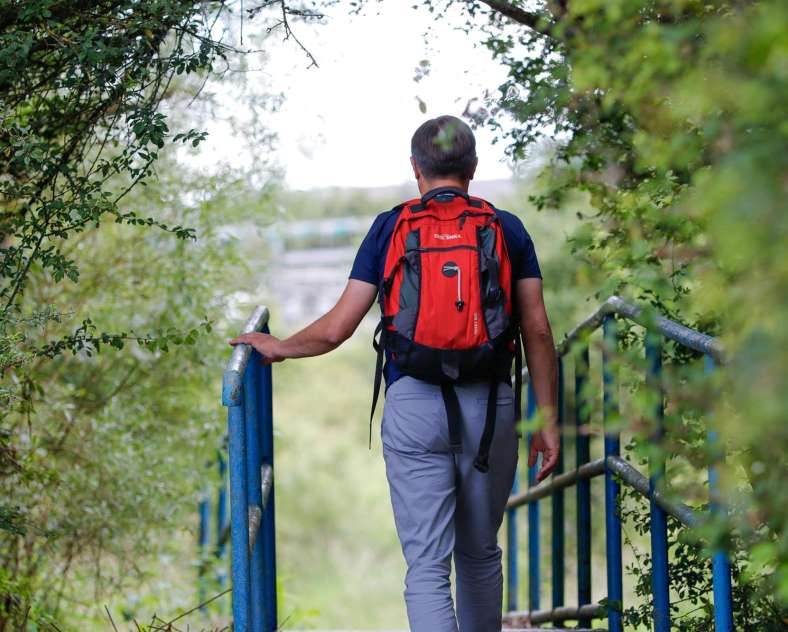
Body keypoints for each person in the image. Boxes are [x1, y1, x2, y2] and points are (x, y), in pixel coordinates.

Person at [230, 114, 560, 632]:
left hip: (414, 406)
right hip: (490, 409)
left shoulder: (390, 227)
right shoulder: (506, 228)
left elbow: (338, 327)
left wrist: (281, 347)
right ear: (473, 168)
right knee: (479, 553)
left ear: (415, 168)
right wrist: (549, 418)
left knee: (427, 566)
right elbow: (537, 331)